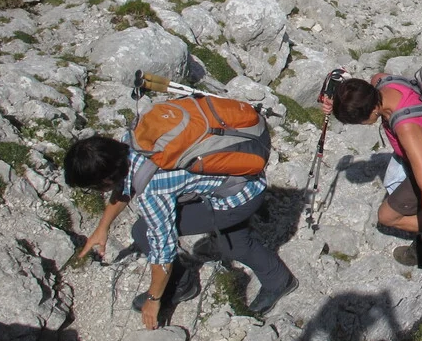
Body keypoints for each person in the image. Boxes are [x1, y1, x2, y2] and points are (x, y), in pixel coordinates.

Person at [65, 136, 298, 329]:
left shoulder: (153, 189)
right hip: (242, 175)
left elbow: (162, 250)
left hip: (240, 195)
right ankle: (274, 277)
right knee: (228, 241)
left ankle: (184, 284)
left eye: (93, 188)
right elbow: (125, 186)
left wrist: (154, 300)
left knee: (146, 231)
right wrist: (102, 227)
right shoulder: (135, 140)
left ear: (105, 179)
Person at [324, 73, 422, 279]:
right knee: (400, 196)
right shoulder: (380, 82)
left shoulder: (406, 127)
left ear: (373, 110)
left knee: (387, 217)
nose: (362, 125)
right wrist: (335, 101)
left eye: (360, 121)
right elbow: (363, 84)